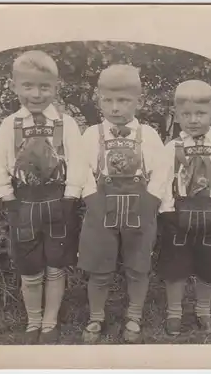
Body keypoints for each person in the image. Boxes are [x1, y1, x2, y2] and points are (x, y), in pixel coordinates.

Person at [0, 50, 85, 344]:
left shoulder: (66, 124)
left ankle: (49, 322)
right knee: (30, 267)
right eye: (28, 86)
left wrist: (71, 197)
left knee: (56, 265)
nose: (36, 93)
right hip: (24, 203)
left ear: (55, 87)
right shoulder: (10, 125)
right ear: (14, 86)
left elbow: (79, 162)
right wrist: (7, 197)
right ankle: (33, 322)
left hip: (58, 203)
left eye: (44, 87)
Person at [77, 64, 168, 343]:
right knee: (100, 266)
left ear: (138, 101)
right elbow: (81, 170)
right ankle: (96, 317)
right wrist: (92, 199)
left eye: (123, 101)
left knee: (138, 265)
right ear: (99, 100)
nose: (115, 108)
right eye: (108, 100)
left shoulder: (148, 135)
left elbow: (162, 172)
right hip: (102, 207)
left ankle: (134, 316)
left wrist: (151, 200)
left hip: (139, 207)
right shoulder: (93, 134)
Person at [157, 80, 211, 336]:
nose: (193, 120)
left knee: (209, 266)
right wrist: (167, 211)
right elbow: (162, 181)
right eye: (186, 114)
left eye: (200, 113)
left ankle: (203, 310)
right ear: (176, 114)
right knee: (175, 267)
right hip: (178, 215)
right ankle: (174, 312)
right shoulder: (172, 148)